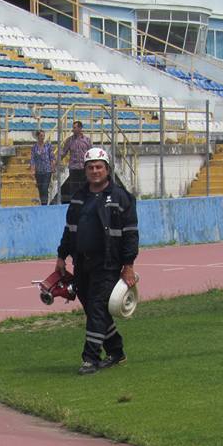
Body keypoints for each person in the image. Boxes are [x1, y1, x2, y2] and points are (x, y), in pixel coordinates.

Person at [55, 147, 139, 375]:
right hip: (82, 263)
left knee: (97, 308)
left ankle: (90, 359)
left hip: (108, 264)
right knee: (94, 310)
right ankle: (116, 351)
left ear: (107, 169)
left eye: (99, 167)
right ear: (85, 170)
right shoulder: (79, 197)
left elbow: (131, 234)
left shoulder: (121, 197)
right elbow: (69, 230)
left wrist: (129, 265)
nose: (95, 171)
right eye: (90, 167)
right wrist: (61, 256)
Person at [60, 120, 92, 202]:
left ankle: (85, 202)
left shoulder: (87, 140)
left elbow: (90, 153)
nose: (73, 129)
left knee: (85, 186)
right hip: (73, 168)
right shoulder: (69, 140)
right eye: (73, 127)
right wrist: (57, 160)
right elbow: (64, 152)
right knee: (74, 188)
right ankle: (74, 203)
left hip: (84, 167)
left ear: (80, 128)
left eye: (74, 128)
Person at [30, 129, 56, 205]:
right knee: (40, 189)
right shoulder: (34, 147)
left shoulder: (48, 146)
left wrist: (53, 166)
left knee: (45, 188)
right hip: (38, 171)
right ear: (37, 136)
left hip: (47, 171)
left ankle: (45, 204)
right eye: (41, 136)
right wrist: (32, 170)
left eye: (44, 136)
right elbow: (32, 159)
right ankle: (42, 204)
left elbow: (52, 157)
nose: (43, 137)